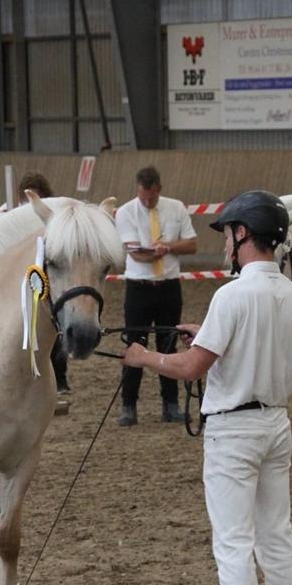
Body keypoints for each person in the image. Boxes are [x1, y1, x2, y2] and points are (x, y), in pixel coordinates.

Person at [123, 190, 292, 585]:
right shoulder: (289, 294)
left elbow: (188, 368)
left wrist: (144, 360)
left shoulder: (233, 295)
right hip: (276, 424)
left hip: (235, 432)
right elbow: (249, 343)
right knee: (276, 538)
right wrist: (208, 332)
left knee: (233, 545)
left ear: (242, 234)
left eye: (228, 234)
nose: (225, 243)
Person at [115, 166, 198, 426]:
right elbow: (135, 253)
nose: (146, 201)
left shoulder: (176, 208)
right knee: (134, 344)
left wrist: (167, 247)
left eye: (150, 197)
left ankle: (170, 405)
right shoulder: (127, 212)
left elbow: (192, 244)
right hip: (139, 287)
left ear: (158, 189)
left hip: (169, 286)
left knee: (168, 344)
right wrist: (159, 252)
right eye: (143, 197)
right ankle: (128, 406)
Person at [16, 171, 70, 395]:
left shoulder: (52, 218)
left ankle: (60, 379)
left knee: (51, 330)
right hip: (19, 281)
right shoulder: (12, 218)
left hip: (44, 282)